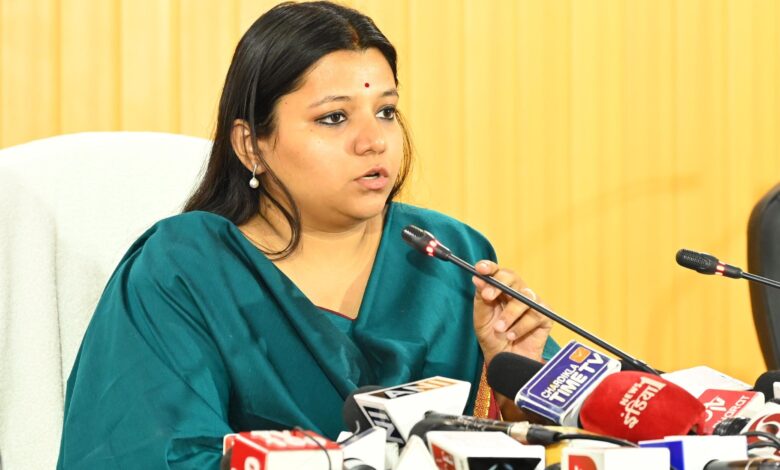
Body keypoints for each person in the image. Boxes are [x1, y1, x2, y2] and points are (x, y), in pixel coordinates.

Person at [57, 2, 557, 468]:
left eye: (386, 111)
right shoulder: (186, 269)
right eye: (334, 118)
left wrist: (515, 387)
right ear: (251, 145)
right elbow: (148, 452)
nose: (374, 141)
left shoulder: (449, 255)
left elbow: (557, 440)